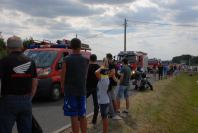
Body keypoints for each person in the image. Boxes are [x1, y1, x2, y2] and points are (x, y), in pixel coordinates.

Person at [0, 36, 38, 133]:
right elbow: (35, 81)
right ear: (21, 47)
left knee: (4, 129)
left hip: (8, 100)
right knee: (26, 130)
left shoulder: (4, 61)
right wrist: (30, 97)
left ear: (8, 47)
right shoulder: (30, 61)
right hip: (26, 99)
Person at [61, 38, 89, 133]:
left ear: (71, 47)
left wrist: (62, 87)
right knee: (82, 114)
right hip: (82, 90)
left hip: (70, 91)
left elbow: (63, 76)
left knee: (74, 115)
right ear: (80, 46)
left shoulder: (66, 59)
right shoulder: (85, 60)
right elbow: (85, 76)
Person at [95, 58, 110, 133]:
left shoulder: (103, 80)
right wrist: (104, 66)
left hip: (103, 102)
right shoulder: (106, 78)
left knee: (104, 118)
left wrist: (101, 67)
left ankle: (105, 131)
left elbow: (96, 72)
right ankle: (105, 131)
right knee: (105, 117)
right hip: (104, 101)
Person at [106, 53, 122, 120]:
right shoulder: (114, 64)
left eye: (106, 58)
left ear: (108, 58)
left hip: (111, 83)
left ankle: (112, 113)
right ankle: (116, 111)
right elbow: (117, 73)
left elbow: (113, 73)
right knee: (113, 98)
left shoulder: (111, 64)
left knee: (110, 98)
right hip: (113, 83)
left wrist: (106, 76)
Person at [86, 54, 100, 125]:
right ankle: (94, 120)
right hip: (96, 87)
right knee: (96, 104)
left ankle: (81, 118)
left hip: (87, 87)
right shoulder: (99, 67)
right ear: (96, 59)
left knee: (82, 102)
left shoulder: (87, 67)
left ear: (90, 59)